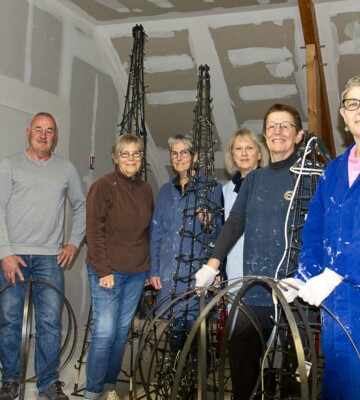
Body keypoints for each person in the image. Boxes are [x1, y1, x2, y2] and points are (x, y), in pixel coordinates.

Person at [281, 73, 360, 399]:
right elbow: (315, 229)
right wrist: (304, 276)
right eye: (352, 104)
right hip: (338, 311)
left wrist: (334, 274)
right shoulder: (333, 170)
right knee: (339, 387)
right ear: (344, 117)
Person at [195, 104, 304, 400]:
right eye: (271, 126)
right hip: (253, 293)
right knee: (243, 371)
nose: (277, 132)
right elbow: (235, 222)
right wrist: (212, 264)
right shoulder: (254, 180)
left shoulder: (310, 178)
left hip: (295, 296)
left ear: (298, 135)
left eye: (285, 126)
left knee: (291, 379)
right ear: (265, 135)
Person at [0, 112, 86, 400]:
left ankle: (48, 383)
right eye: (38, 129)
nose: (43, 134)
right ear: (28, 132)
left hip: (50, 259)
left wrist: (73, 242)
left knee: (50, 323)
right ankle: (10, 380)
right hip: (14, 257)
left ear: (55, 136)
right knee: (9, 320)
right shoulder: (9, 165)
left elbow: (81, 206)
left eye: (50, 130)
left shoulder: (66, 170)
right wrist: (5, 253)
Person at [84, 134, 153, 400]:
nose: (131, 159)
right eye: (125, 154)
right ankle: (92, 391)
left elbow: (146, 232)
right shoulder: (103, 186)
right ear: (115, 157)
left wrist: (147, 268)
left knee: (121, 332)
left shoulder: (146, 189)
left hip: (136, 272)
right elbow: (94, 231)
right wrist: (103, 270)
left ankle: (109, 386)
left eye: (136, 153)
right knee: (104, 332)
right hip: (108, 271)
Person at [149, 134, 223, 357]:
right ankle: (177, 383)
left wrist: (209, 222)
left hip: (196, 273)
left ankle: (196, 384)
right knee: (175, 332)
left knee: (195, 331)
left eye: (184, 152)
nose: (179, 157)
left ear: (195, 157)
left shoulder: (211, 188)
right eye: (174, 153)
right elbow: (156, 233)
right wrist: (154, 270)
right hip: (169, 273)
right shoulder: (164, 191)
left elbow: (220, 232)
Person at [222, 127, 268, 283]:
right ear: (232, 155)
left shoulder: (270, 185)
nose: (244, 153)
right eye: (238, 149)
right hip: (234, 268)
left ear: (260, 154)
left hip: (265, 266)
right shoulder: (225, 191)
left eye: (249, 148)